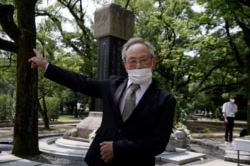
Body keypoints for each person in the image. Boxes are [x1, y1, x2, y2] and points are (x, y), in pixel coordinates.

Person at [28, 37, 176, 166]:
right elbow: (80, 82)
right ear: (125, 65)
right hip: (101, 161)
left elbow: (158, 142)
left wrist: (118, 148)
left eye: (143, 60)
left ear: (153, 61)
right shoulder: (112, 85)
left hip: (137, 162)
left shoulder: (165, 99)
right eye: (132, 61)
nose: (138, 66)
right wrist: (46, 66)